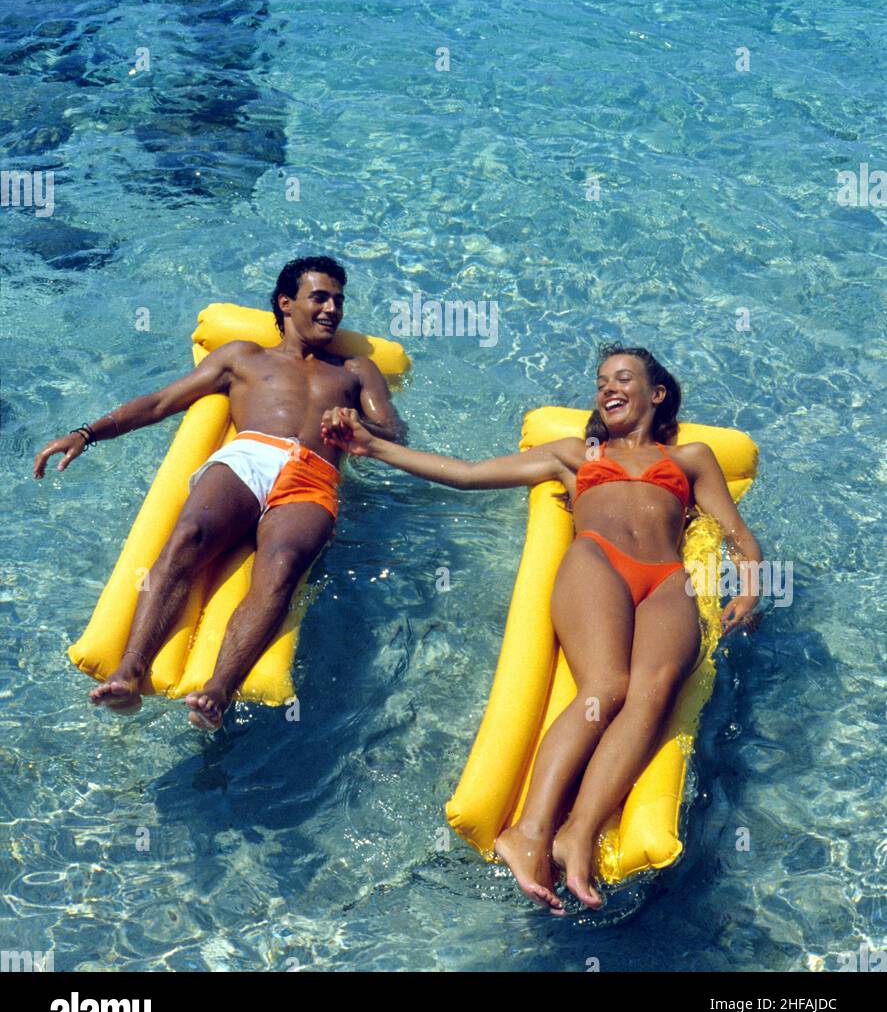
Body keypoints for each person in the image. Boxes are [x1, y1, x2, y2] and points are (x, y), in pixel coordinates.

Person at [320, 344, 763, 912]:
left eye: (622, 378)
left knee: (654, 693)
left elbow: (737, 533)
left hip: (668, 579)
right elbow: (466, 474)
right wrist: (372, 445)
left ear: (656, 394)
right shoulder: (574, 454)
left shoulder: (693, 458)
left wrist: (749, 589)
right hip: (598, 561)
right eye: (601, 380)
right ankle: (528, 831)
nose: (608, 388)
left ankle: (577, 833)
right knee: (607, 688)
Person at [33, 256, 407, 730]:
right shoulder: (244, 356)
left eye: (338, 300)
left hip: (313, 473)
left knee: (284, 563)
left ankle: (218, 689)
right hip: (250, 455)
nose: (333, 308)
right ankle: (130, 668)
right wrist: (86, 434)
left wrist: (359, 427)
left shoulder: (355, 370)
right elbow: (162, 401)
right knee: (188, 535)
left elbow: (394, 433)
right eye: (320, 297)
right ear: (285, 303)